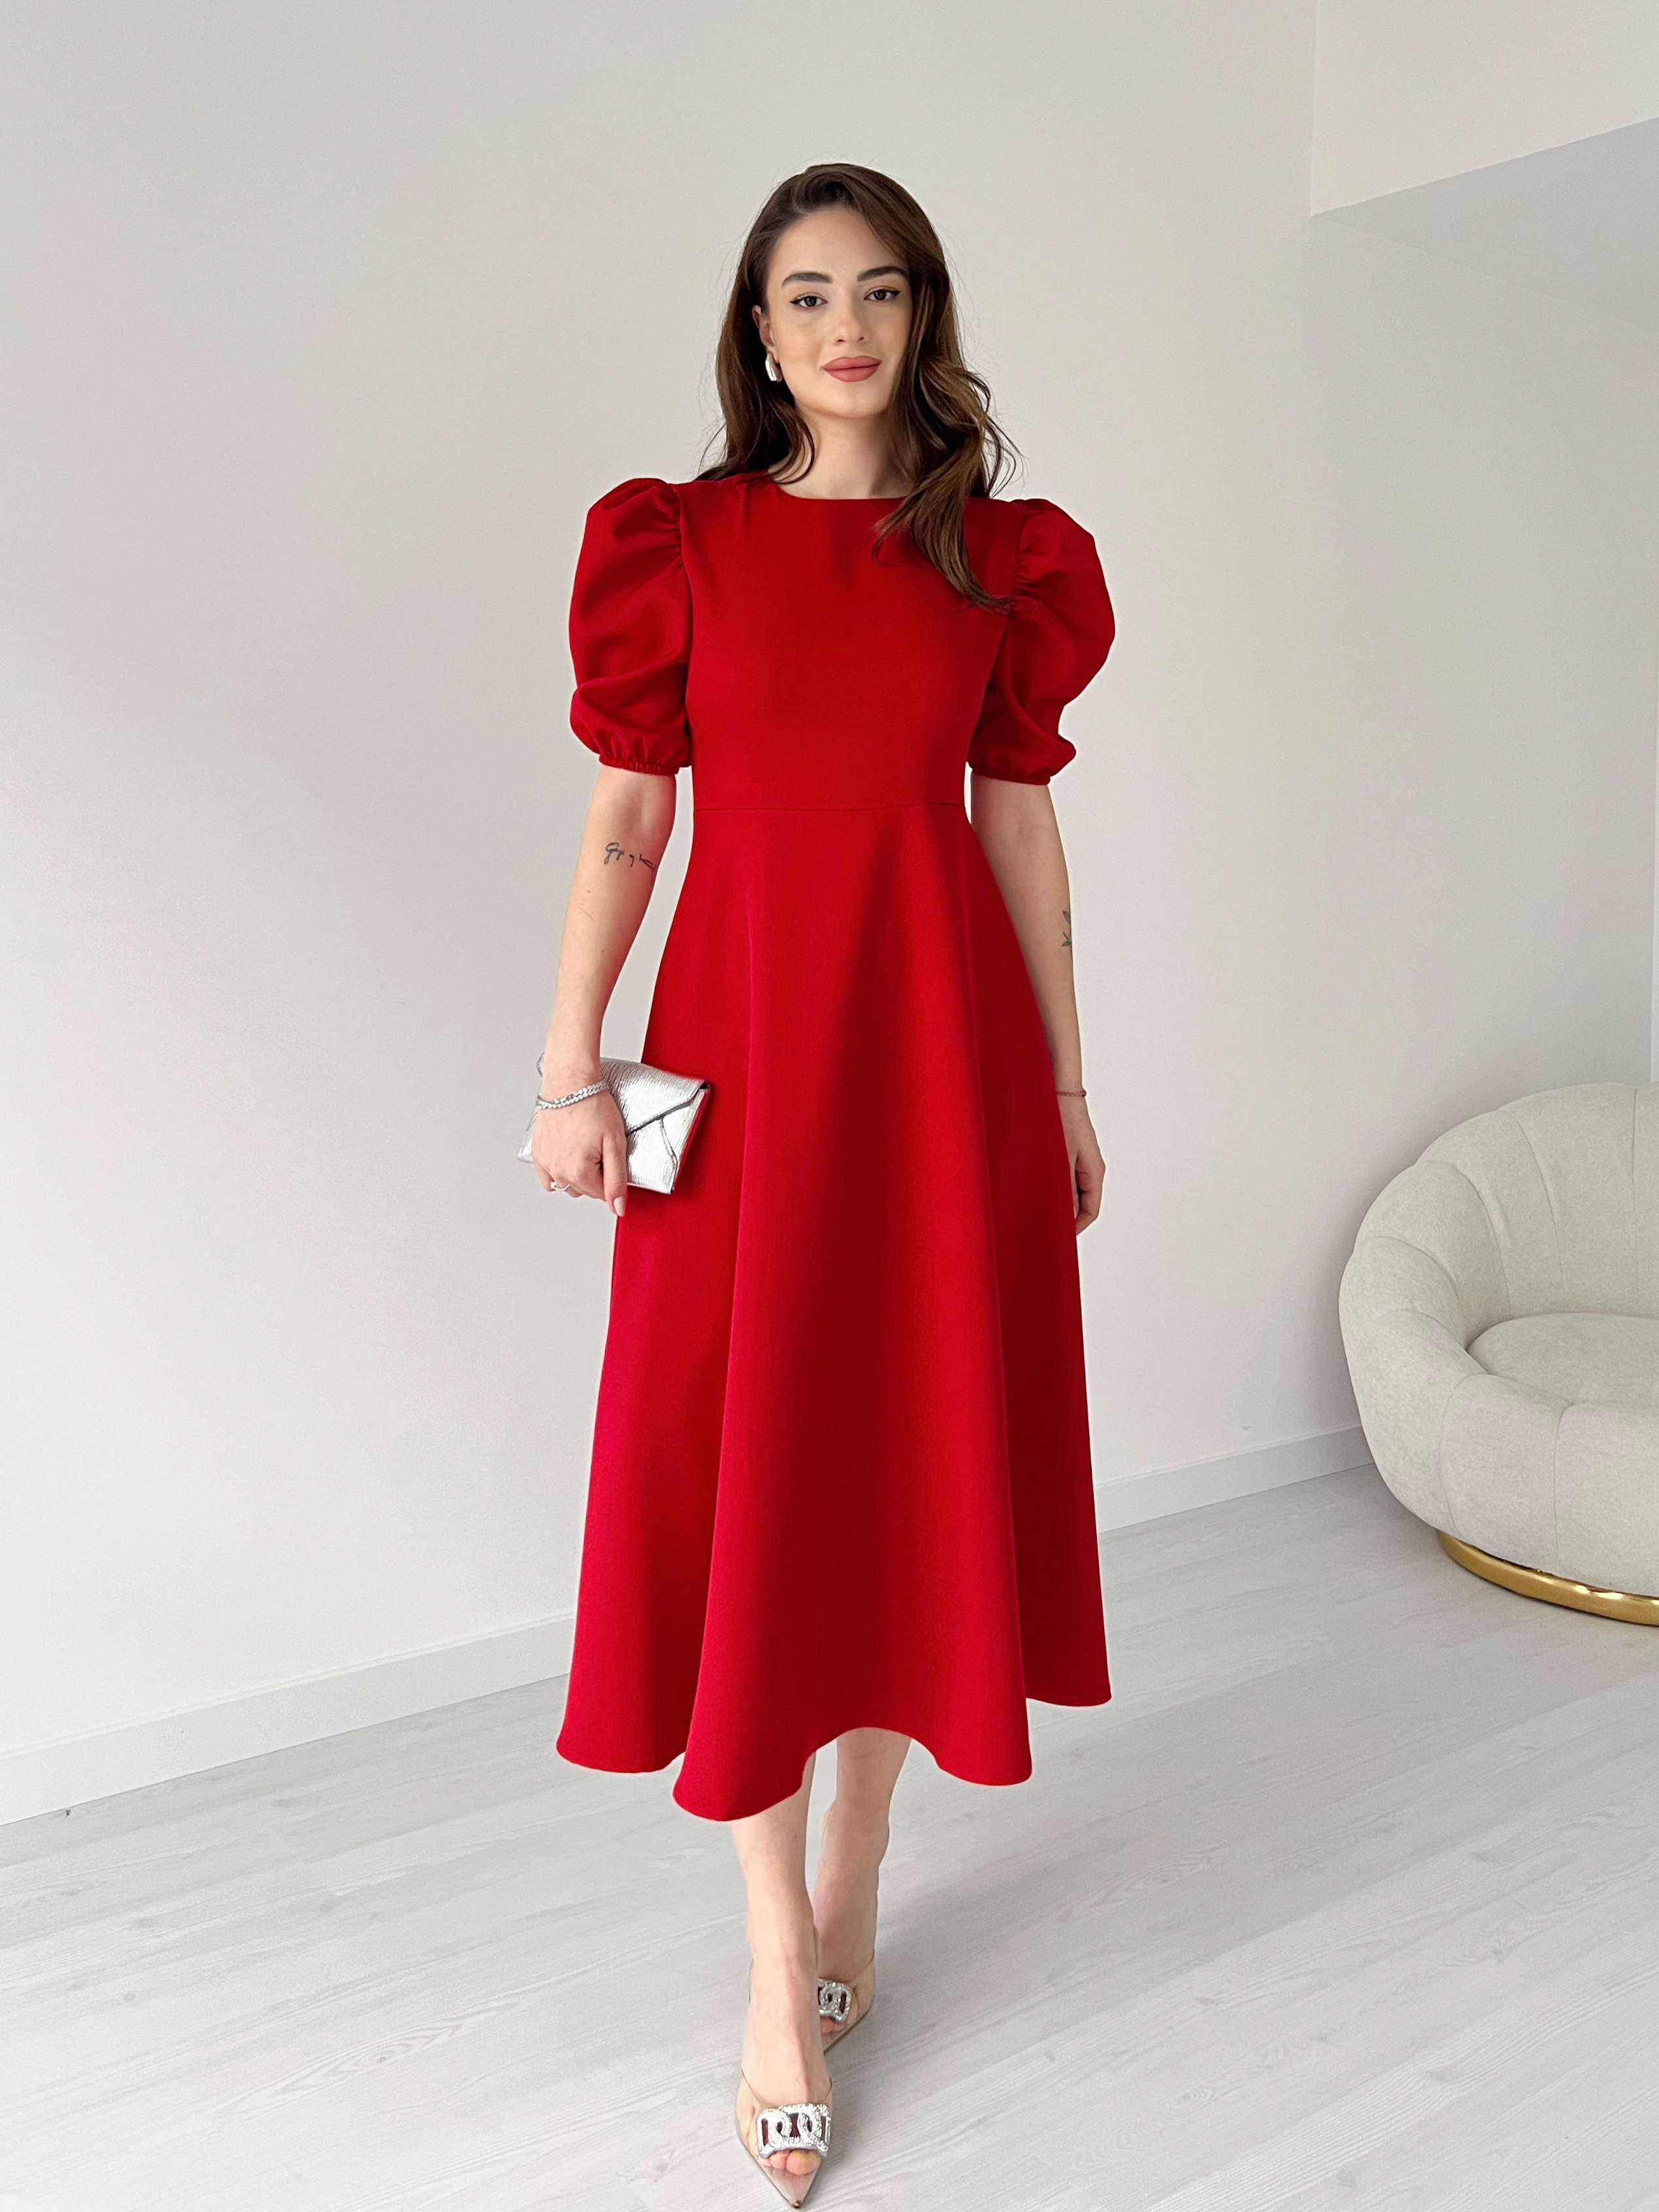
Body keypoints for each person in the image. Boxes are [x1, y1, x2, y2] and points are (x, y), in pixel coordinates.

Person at [530, 161, 1117, 2204]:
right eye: (805, 294)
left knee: (895, 1451)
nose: (845, 325)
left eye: (879, 290)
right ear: (759, 333)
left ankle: (862, 1840)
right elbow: (628, 819)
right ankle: (775, 1955)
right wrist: (569, 1068)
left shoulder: (1002, 559)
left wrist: (1061, 1081)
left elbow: (1016, 827)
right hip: (729, 1058)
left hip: (940, 1059)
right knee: (736, 1462)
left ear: (919, 316)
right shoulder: (675, 541)